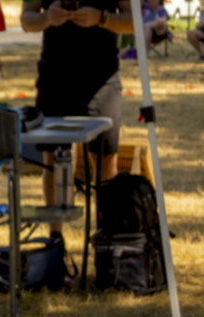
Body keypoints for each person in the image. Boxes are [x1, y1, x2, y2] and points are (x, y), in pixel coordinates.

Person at [21, 0, 134, 240]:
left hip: (102, 77)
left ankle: (107, 239)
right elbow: (26, 20)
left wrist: (102, 18)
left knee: (105, 161)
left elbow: (133, 21)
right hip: (55, 76)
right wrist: (47, 18)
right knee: (52, 160)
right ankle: (55, 241)